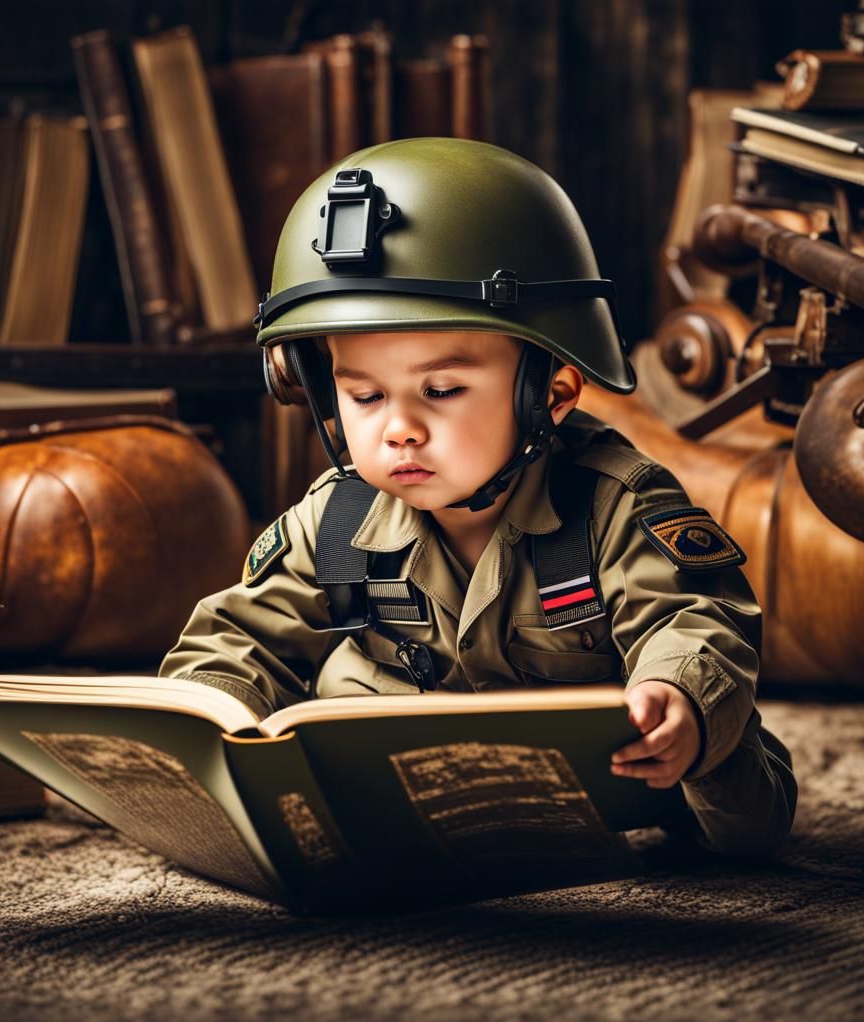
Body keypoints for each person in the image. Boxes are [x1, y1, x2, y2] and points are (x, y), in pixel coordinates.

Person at [161, 138, 797, 856]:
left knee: (741, 817)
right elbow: (239, 639)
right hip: (392, 792)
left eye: (441, 390)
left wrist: (680, 702)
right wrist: (205, 720)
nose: (399, 428)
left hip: (604, 790)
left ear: (549, 393)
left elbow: (692, 616)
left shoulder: (612, 506)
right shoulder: (336, 519)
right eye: (364, 395)